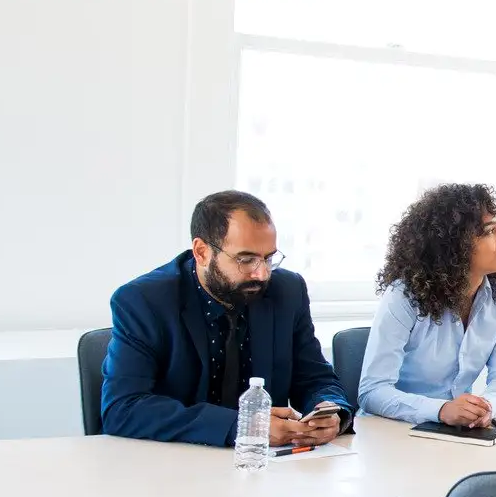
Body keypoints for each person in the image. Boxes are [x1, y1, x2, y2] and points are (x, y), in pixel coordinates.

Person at [102, 190, 352, 447]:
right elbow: (123, 407)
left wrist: (331, 411)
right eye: (246, 259)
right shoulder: (143, 301)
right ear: (201, 252)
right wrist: (243, 426)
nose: (262, 274)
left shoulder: (287, 291)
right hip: (173, 466)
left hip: (267, 468)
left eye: (268, 258)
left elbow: (314, 377)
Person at [359, 183, 496, 428]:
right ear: (455, 245)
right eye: (489, 231)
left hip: (455, 432)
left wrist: (487, 405)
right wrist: (441, 410)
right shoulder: (404, 295)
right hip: (394, 431)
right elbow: (372, 392)